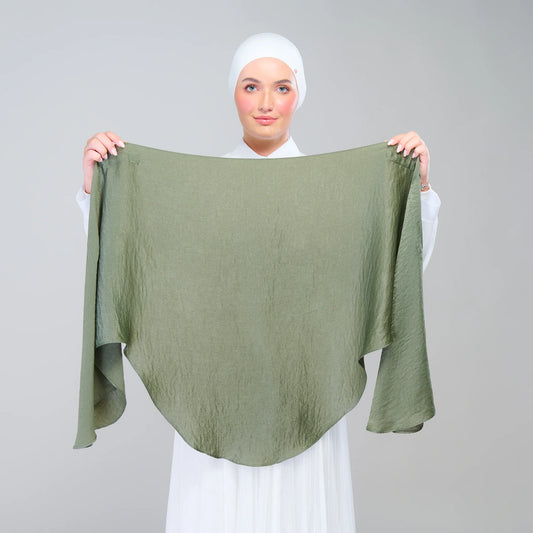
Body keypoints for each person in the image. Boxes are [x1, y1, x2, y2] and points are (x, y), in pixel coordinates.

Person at [75, 32, 441, 533]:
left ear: (299, 95)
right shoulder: (193, 192)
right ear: (233, 92)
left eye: (281, 87)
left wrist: (417, 190)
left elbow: (397, 272)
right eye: (251, 86)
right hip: (211, 401)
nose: (266, 102)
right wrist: (98, 190)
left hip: (310, 396)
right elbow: (129, 261)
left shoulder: (338, 193)